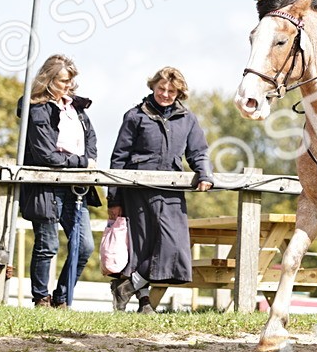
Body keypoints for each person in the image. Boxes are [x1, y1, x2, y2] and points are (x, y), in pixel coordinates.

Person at [108, 67, 214, 314]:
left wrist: (205, 174)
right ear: (153, 88)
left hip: (171, 191)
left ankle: (127, 286)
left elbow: (198, 152)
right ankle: (144, 302)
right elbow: (118, 159)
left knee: (173, 246)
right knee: (143, 245)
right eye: (161, 89)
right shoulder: (134, 116)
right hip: (137, 190)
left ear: (179, 92)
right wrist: (113, 197)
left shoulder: (187, 118)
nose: (165, 94)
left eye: (171, 90)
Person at [18, 54, 101, 308]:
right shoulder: (37, 108)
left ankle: (62, 297)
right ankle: (41, 299)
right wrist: (81, 163)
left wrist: (87, 161)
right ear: (49, 79)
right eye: (64, 81)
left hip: (75, 187)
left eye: (71, 81)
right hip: (45, 185)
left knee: (84, 245)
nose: (69, 86)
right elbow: (45, 154)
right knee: (48, 244)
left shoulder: (76, 108)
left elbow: (91, 141)